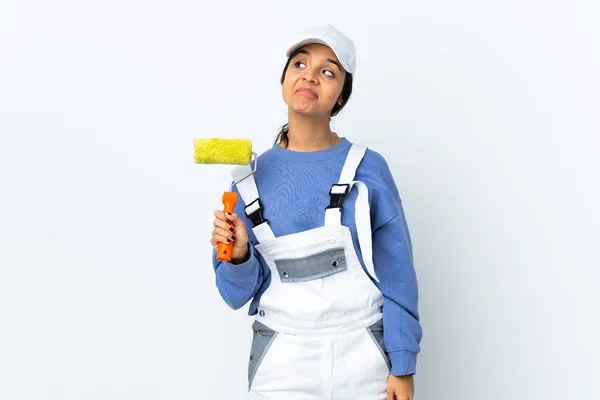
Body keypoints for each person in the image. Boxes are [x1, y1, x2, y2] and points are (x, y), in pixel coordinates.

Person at [210, 24, 422, 400]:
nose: (310, 75)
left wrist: (403, 365)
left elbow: (397, 273)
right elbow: (234, 294)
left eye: (328, 71)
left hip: (364, 360)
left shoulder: (368, 169)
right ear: (284, 80)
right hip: (281, 364)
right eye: (300, 64)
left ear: (341, 96)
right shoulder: (248, 180)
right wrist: (239, 256)